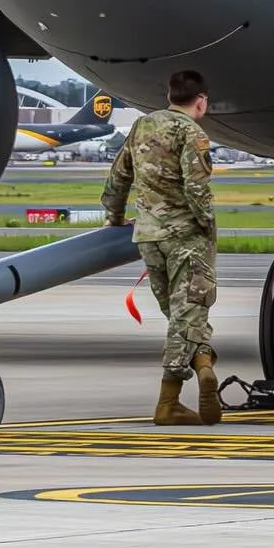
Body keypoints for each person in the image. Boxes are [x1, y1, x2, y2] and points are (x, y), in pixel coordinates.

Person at [102, 69, 220, 427]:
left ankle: (204, 366)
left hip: (149, 237)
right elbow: (196, 188)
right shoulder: (192, 133)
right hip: (186, 238)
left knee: (181, 315)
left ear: (170, 96)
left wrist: (114, 216)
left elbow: (118, 175)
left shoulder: (142, 126)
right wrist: (208, 227)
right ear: (200, 101)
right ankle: (168, 400)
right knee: (188, 315)